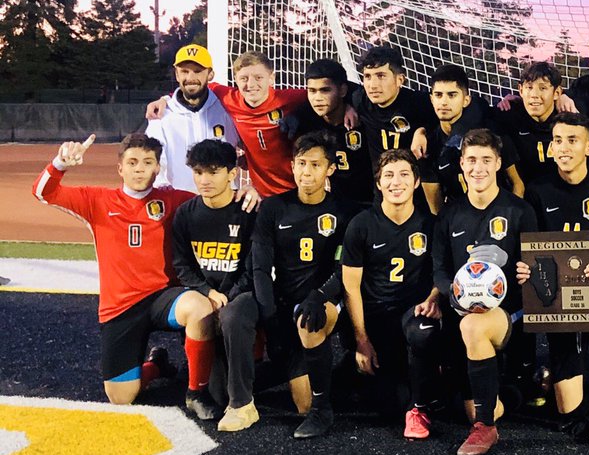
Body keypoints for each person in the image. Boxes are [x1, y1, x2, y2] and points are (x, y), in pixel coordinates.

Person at [32, 133, 218, 417]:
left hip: (163, 297)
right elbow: (43, 193)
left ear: (157, 168)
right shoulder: (96, 200)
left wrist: (245, 193)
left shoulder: (173, 199)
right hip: (120, 308)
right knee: (121, 397)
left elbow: (215, 204)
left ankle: (197, 392)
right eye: (132, 162)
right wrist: (60, 163)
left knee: (200, 306)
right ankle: (157, 364)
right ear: (120, 168)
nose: (140, 168)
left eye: (147, 162)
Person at [518, 113, 589, 448]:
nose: (563, 147)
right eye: (558, 140)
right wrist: (525, 270)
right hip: (557, 291)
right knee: (570, 415)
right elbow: (531, 250)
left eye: (572, 140)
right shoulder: (537, 191)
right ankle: (573, 395)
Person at [431, 129, 538, 455]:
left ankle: (485, 429)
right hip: (461, 312)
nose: (478, 168)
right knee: (471, 402)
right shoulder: (450, 213)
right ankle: (507, 395)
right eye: (472, 160)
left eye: (486, 160)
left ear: (498, 163)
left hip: (509, 315)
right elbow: (439, 269)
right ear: (462, 163)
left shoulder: (520, 211)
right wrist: (455, 292)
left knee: (473, 327)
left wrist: (528, 272)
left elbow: (538, 270)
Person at [252, 132, 358, 438]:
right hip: (285, 303)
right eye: (301, 163)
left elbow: (344, 269)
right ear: (292, 166)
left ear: (330, 169)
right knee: (296, 397)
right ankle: (290, 369)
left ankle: (322, 412)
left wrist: (320, 295)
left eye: (315, 164)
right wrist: (271, 319)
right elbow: (260, 267)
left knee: (309, 322)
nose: (307, 172)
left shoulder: (346, 211)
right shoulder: (273, 208)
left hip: (323, 301)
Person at [341, 150, 442, 438]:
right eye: (388, 175)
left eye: (404, 175)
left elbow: (441, 274)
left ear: (416, 182)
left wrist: (434, 297)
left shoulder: (430, 224)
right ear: (378, 183)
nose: (396, 182)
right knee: (387, 405)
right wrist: (361, 340)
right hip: (376, 319)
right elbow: (350, 286)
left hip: (413, 316)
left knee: (424, 332)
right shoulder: (361, 224)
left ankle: (418, 407)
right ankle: (351, 368)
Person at [171, 139, 260, 431]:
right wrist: (207, 292)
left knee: (236, 319)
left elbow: (252, 264)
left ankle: (247, 393)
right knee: (217, 395)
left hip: (240, 297)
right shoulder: (185, 214)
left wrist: (228, 296)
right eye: (198, 172)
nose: (204, 180)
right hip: (208, 297)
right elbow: (182, 263)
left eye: (213, 171)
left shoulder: (249, 211)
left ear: (232, 174)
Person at [421, 64, 523, 213]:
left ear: (466, 100)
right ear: (431, 99)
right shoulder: (428, 146)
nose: (443, 102)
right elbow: (435, 208)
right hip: (460, 222)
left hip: (499, 215)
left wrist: (510, 217)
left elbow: (518, 185)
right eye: (438, 95)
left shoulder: (492, 133)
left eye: (452, 95)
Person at [146, 43, 241, 193]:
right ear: (177, 75)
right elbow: (153, 158)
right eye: (184, 71)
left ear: (210, 74)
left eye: (197, 71)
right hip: (178, 203)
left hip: (223, 203)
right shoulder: (161, 114)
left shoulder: (227, 109)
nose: (190, 78)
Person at [282, 59, 374, 211]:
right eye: (312, 91)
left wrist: (354, 101)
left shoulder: (364, 116)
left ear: (343, 91)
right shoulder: (304, 121)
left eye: (325, 90)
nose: (317, 98)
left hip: (373, 203)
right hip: (336, 206)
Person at [351, 45, 433, 167]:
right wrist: (348, 107)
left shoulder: (419, 103)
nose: (373, 85)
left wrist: (422, 132)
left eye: (381, 76)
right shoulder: (359, 100)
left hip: (414, 180)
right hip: (381, 181)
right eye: (367, 76)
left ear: (400, 80)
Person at [492, 61, 563, 188]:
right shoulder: (507, 116)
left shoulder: (569, 120)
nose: (534, 95)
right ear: (520, 89)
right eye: (529, 87)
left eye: (543, 88)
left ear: (557, 93)